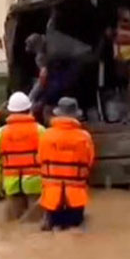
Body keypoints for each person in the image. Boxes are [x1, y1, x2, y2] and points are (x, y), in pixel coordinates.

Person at [38, 97, 95, 230]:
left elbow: (39, 159)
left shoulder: (46, 136)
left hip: (52, 197)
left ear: (57, 114)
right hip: (76, 197)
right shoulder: (84, 138)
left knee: (53, 235)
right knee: (76, 233)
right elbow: (90, 161)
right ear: (76, 115)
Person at [0, 92, 45, 221]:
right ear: (29, 109)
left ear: (10, 111)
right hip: (35, 182)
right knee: (35, 223)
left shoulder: (1, 133)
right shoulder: (40, 130)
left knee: (12, 222)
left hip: (11, 183)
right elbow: (49, 157)